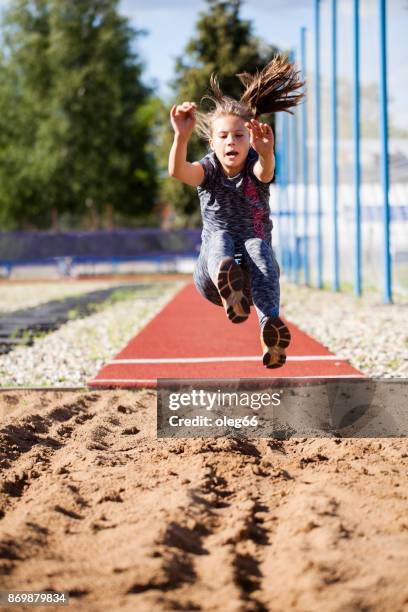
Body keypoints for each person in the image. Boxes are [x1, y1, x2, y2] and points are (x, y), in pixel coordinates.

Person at [168, 56, 304, 368]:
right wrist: (181, 136)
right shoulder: (208, 169)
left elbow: (265, 171)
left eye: (239, 136)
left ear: (249, 140)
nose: (232, 141)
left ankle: (270, 327)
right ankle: (229, 288)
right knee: (221, 237)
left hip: (252, 278)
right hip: (212, 276)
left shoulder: (257, 164)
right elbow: (178, 171)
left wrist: (267, 152)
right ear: (212, 142)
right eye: (224, 136)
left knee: (259, 246)